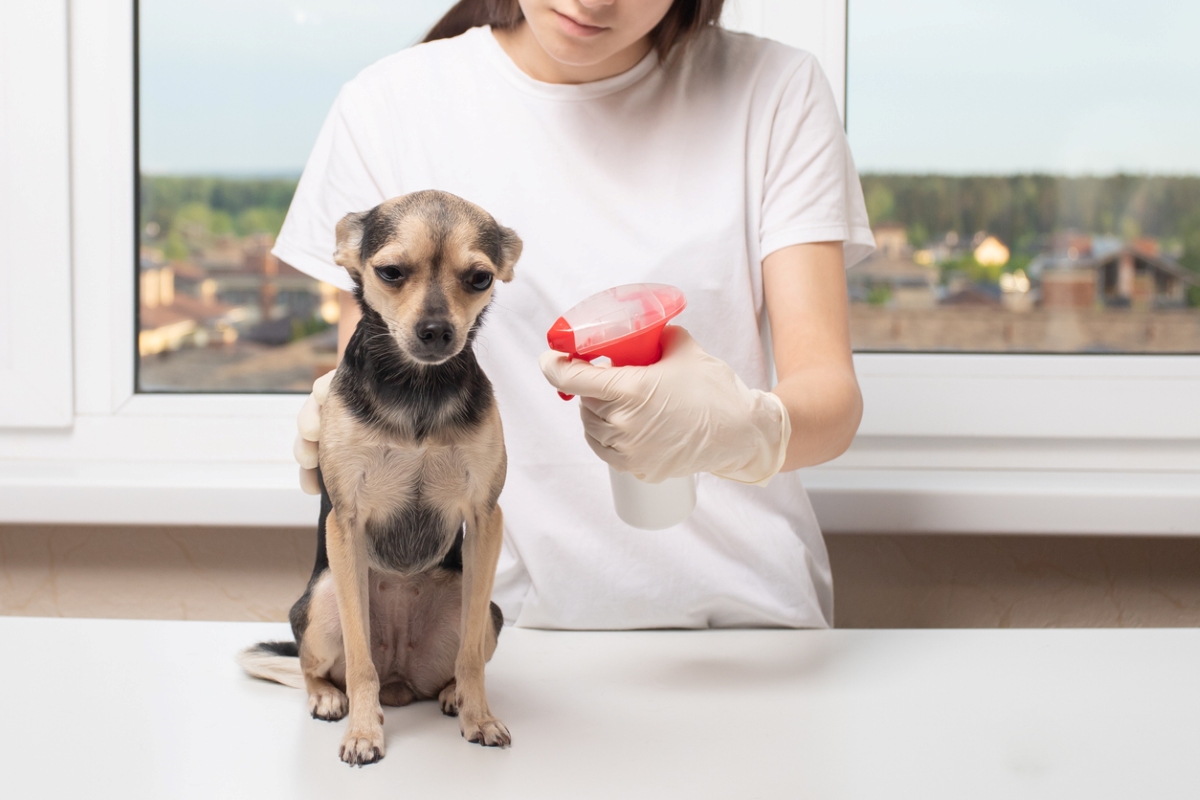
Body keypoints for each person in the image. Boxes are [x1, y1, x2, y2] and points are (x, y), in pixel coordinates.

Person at [278, 0, 873, 630]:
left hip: (749, 624)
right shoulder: (390, 105)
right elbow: (374, 383)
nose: (593, 1)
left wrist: (747, 428)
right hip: (496, 636)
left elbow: (832, 401)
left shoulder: (774, 91)